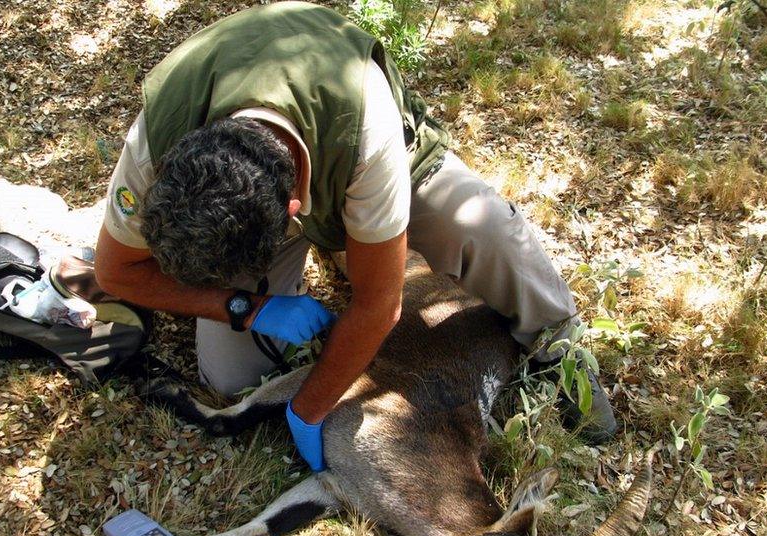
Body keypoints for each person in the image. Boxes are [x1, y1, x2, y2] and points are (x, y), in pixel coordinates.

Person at [93, 1, 617, 472]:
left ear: (293, 212)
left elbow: (378, 305)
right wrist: (244, 307)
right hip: (267, 189)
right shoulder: (159, 139)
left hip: (366, 157)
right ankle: (341, 252)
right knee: (231, 377)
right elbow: (114, 270)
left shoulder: (366, 127)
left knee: (481, 228)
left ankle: (559, 346)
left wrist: (308, 408)